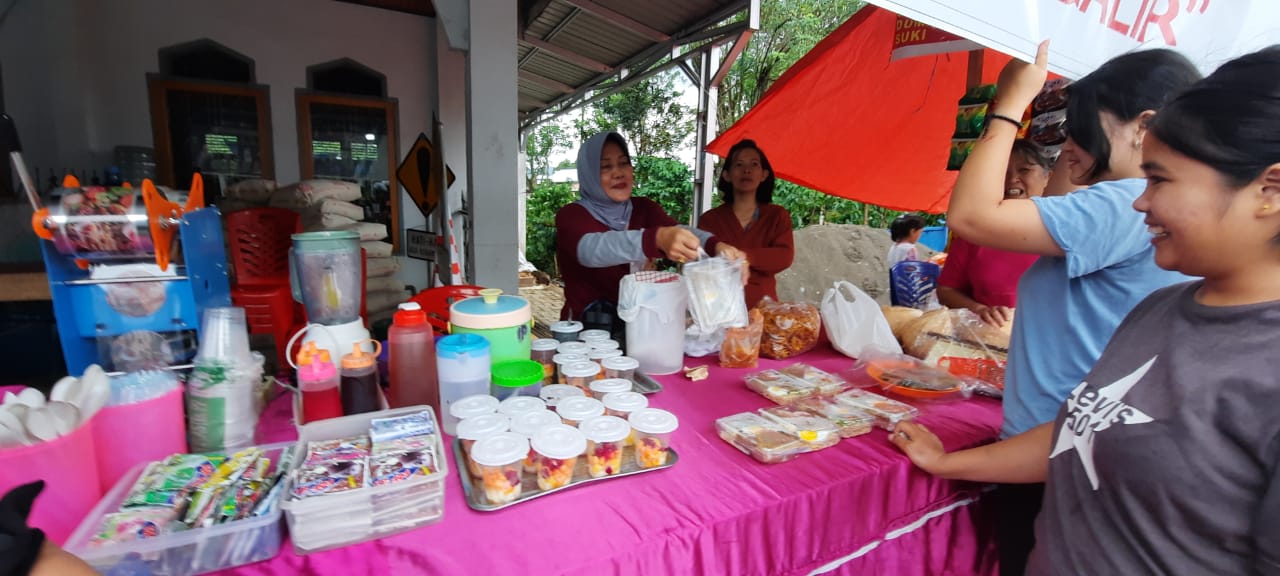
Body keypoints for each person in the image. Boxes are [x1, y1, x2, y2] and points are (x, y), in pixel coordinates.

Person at [893, 44, 1280, 575]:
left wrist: (1009, 105)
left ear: (1269, 191)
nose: (1140, 201)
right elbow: (1081, 429)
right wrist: (950, 462)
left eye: (1160, 180)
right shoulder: (1161, 311)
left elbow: (974, 216)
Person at [936, 44, 1199, 575]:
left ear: (1142, 126)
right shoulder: (1130, 205)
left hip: (1060, 453)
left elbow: (969, 216)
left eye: (1078, 130)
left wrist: (1010, 104)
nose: (1067, 149)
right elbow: (1059, 195)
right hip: (1070, 444)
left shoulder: (1122, 203)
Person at [555, 131, 746, 327]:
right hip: (582, 335)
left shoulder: (643, 208)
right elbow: (591, 249)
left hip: (638, 328)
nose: (618, 172)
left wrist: (716, 247)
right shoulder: (571, 215)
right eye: (605, 166)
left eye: (623, 163)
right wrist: (655, 239)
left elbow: (679, 231)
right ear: (589, 175)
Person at [937, 140, 1050, 327]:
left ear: (1048, 177)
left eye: (1024, 170)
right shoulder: (973, 233)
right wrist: (979, 309)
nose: (1012, 178)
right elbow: (947, 290)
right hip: (989, 342)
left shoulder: (1062, 231)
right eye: (1003, 172)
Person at [696, 139, 794, 308]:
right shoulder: (709, 220)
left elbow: (784, 256)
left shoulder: (777, 215)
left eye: (754, 164)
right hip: (720, 311)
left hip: (764, 312)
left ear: (764, 174)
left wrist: (745, 257)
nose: (746, 170)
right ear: (727, 175)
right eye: (739, 164)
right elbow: (701, 261)